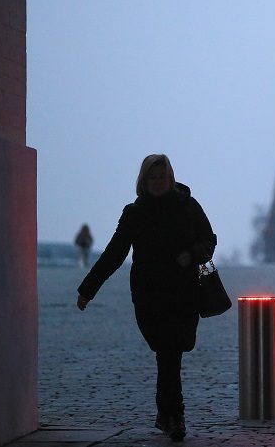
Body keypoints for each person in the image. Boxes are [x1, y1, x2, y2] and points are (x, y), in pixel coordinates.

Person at [76, 154, 216, 442]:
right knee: (167, 352)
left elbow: (209, 240)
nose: (157, 183)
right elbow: (115, 253)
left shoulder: (188, 206)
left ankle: (169, 414)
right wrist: (88, 289)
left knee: (170, 353)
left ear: (170, 178)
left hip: (184, 292)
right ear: (143, 181)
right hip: (149, 295)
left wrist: (191, 254)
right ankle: (174, 416)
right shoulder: (134, 213)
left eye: (161, 177)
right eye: (151, 178)